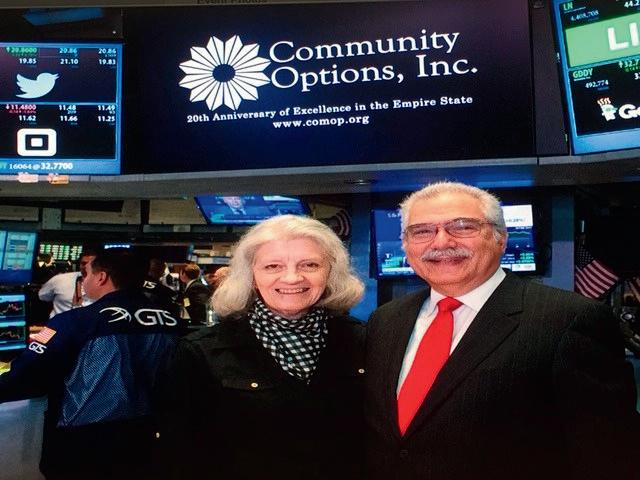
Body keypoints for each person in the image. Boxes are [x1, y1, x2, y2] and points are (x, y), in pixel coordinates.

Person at [364, 181, 639, 480]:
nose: (441, 242)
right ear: (406, 245)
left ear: (501, 238)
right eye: (422, 231)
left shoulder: (569, 319)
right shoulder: (385, 321)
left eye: (463, 227)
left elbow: (609, 454)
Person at [156, 215, 366, 479]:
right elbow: (179, 455)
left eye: (310, 264)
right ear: (251, 276)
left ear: (330, 273)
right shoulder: (201, 352)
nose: (292, 277)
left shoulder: (364, 341)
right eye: (273, 266)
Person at [0, 248, 180, 480]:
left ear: (101, 277)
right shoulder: (171, 321)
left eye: (86, 274)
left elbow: (28, 375)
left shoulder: (74, 321)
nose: (83, 281)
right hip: (146, 438)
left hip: (83, 444)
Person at [38, 249, 97, 318]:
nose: (87, 267)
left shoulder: (105, 285)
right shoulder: (60, 279)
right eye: (83, 263)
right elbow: (42, 296)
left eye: (91, 264)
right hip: (58, 323)